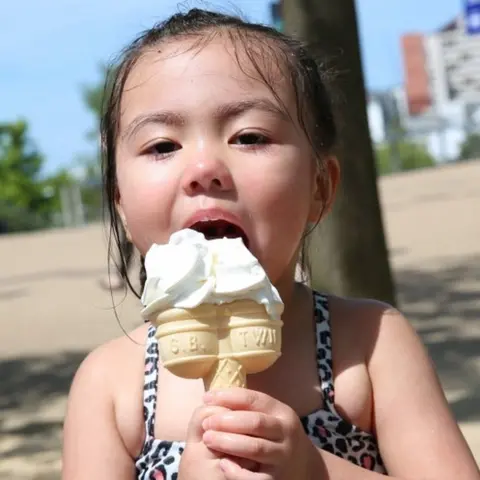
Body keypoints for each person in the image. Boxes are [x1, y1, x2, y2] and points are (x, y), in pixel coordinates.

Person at [62, 8, 480, 480]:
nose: (204, 168)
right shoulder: (111, 385)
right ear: (119, 199)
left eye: (249, 136)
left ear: (320, 187)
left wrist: (315, 469)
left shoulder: (370, 343)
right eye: (162, 146)